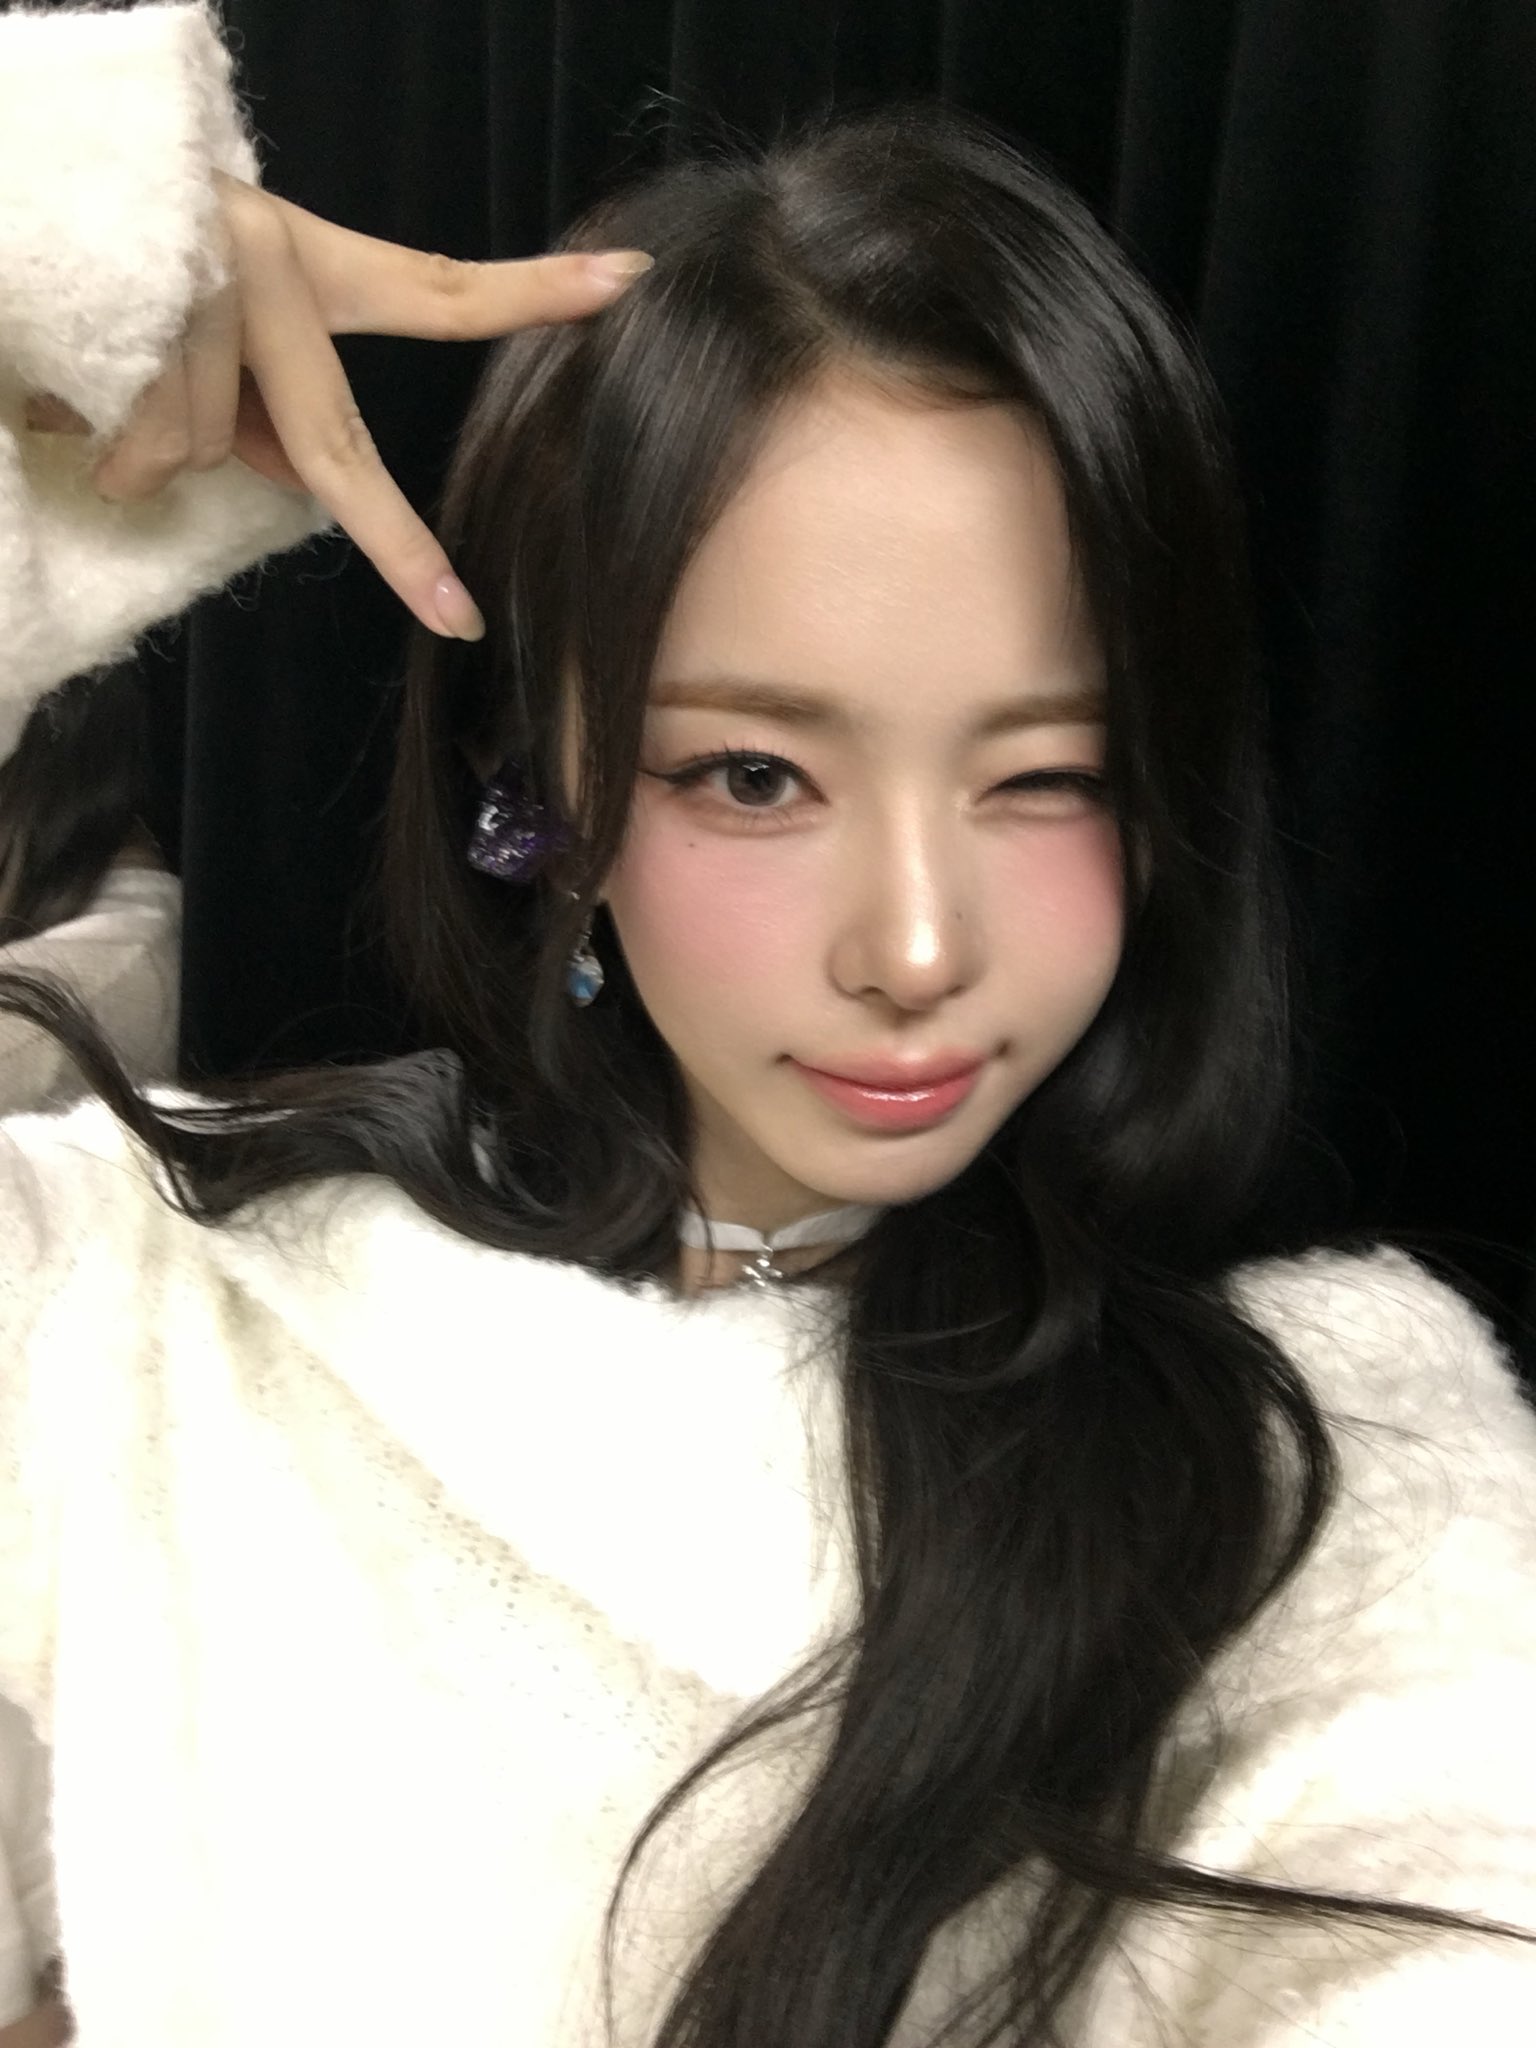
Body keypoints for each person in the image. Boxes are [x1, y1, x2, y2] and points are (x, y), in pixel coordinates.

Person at [1, 4, 1534, 2046]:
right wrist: (52, 246)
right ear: (540, 783)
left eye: (1047, 777)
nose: (917, 945)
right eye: (755, 776)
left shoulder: (1321, 1473)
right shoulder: (152, 1302)